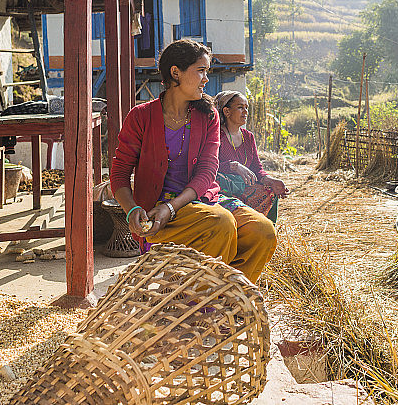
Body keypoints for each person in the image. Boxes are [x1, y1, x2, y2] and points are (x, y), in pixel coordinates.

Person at [109, 40, 276, 283]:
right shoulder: (141, 116)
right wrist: (132, 209)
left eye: (207, 72)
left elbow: (208, 171)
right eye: (201, 71)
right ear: (175, 72)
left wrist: (172, 207)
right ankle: (200, 300)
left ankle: (224, 295)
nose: (206, 79)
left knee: (263, 231)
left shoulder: (208, 116)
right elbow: (119, 173)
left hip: (201, 200)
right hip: (157, 210)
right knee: (221, 224)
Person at [214, 91, 289, 223]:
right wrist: (234, 167)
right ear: (226, 111)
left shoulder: (248, 137)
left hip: (243, 187)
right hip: (223, 188)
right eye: (240, 107)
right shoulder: (216, 135)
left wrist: (270, 180)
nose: (245, 112)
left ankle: (266, 231)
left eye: (246, 108)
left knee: (270, 191)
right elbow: (209, 165)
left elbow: (256, 168)